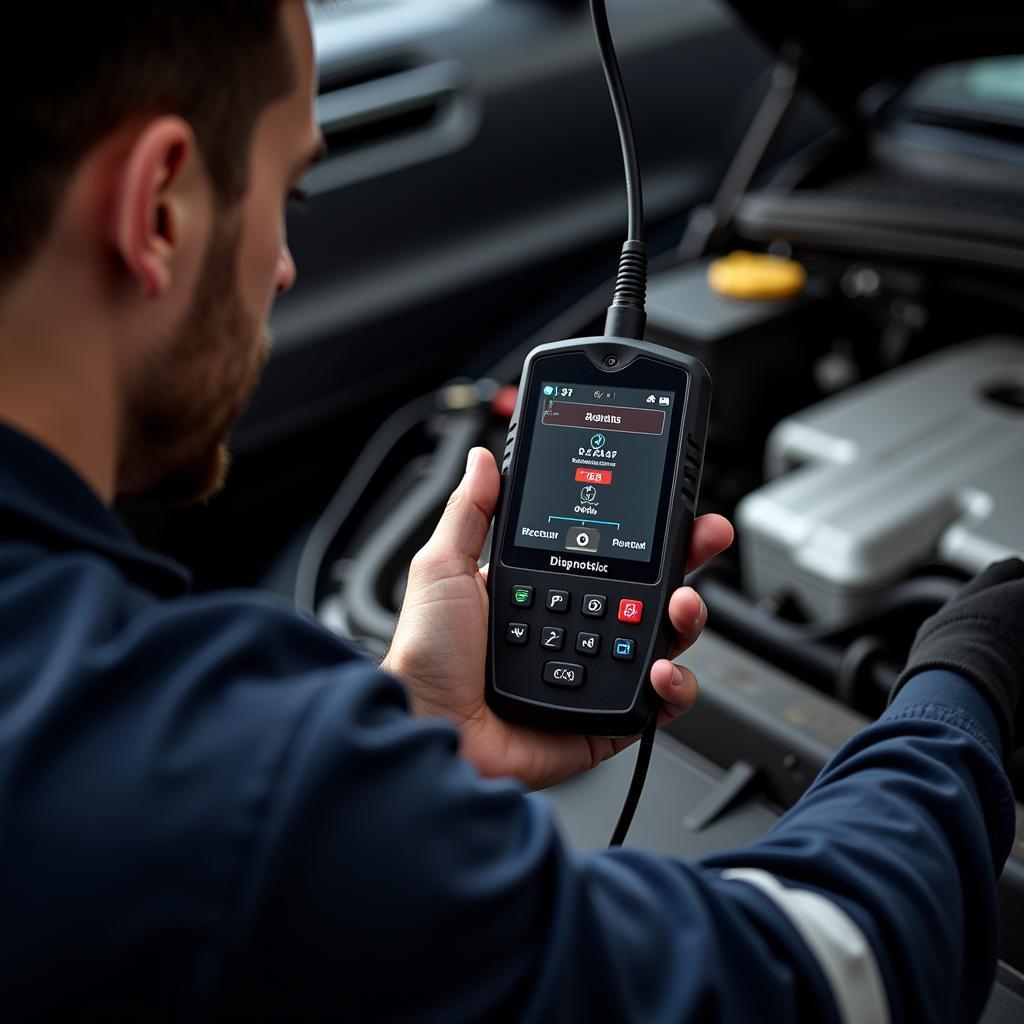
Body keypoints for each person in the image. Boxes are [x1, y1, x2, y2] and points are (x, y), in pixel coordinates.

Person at [0, 3, 1020, 1021]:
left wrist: (409, 732)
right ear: (159, 209)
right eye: (289, 191)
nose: (283, 268)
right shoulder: (213, 775)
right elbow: (805, 977)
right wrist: (964, 683)